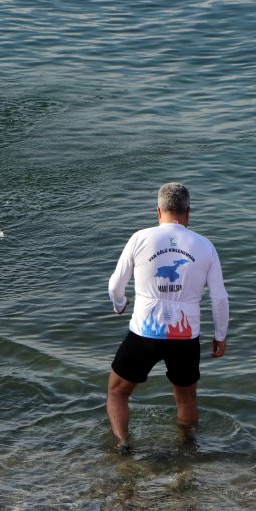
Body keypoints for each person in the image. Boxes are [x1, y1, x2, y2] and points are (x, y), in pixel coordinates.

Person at [106, 182, 229, 450]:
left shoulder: (140, 238)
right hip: (185, 336)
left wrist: (120, 304)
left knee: (117, 392)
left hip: (144, 333)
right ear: (188, 212)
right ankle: (186, 448)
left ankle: (123, 444)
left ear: (158, 211)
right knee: (186, 400)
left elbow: (115, 285)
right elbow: (219, 297)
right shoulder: (204, 245)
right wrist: (220, 335)